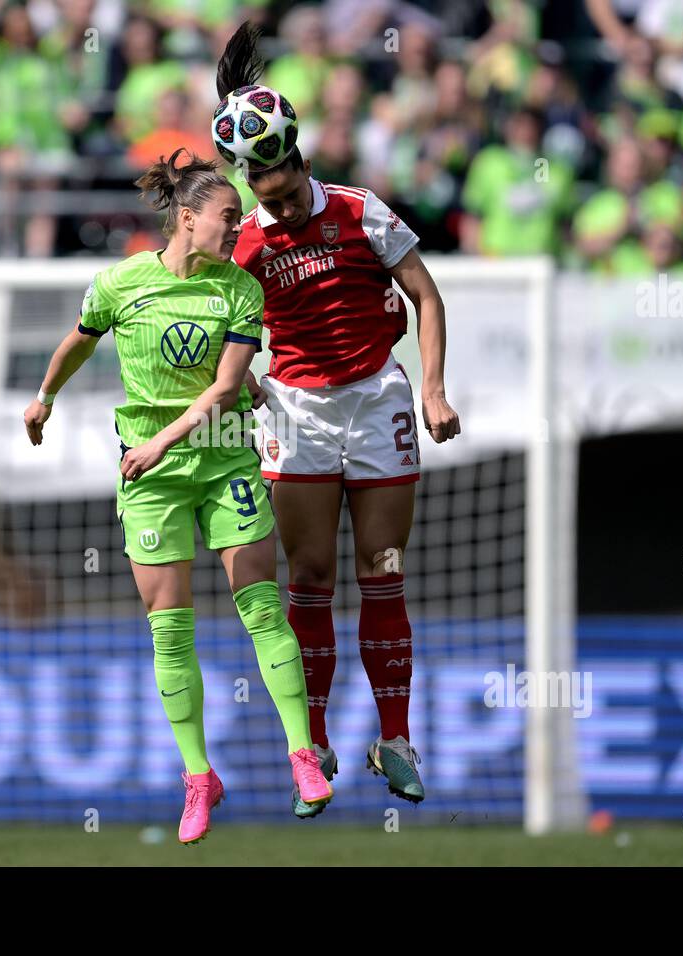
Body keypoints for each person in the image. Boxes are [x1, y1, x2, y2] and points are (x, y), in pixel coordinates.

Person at [22, 148, 334, 844]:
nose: (240, 225)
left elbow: (227, 387)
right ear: (187, 219)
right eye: (229, 215)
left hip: (222, 459)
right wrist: (45, 397)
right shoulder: (119, 284)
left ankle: (303, 757)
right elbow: (79, 341)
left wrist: (168, 438)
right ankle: (198, 775)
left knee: (261, 607)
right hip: (152, 479)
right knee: (171, 627)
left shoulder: (239, 290)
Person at [214, 24, 461, 815]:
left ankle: (395, 737)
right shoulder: (247, 241)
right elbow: (221, 327)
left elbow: (424, 293)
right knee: (311, 579)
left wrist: (432, 388)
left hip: (377, 399)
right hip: (296, 408)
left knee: (382, 570)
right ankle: (312, 741)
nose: (276, 209)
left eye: (285, 194)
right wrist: (239, 376)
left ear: (305, 167)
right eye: (263, 196)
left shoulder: (360, 212)